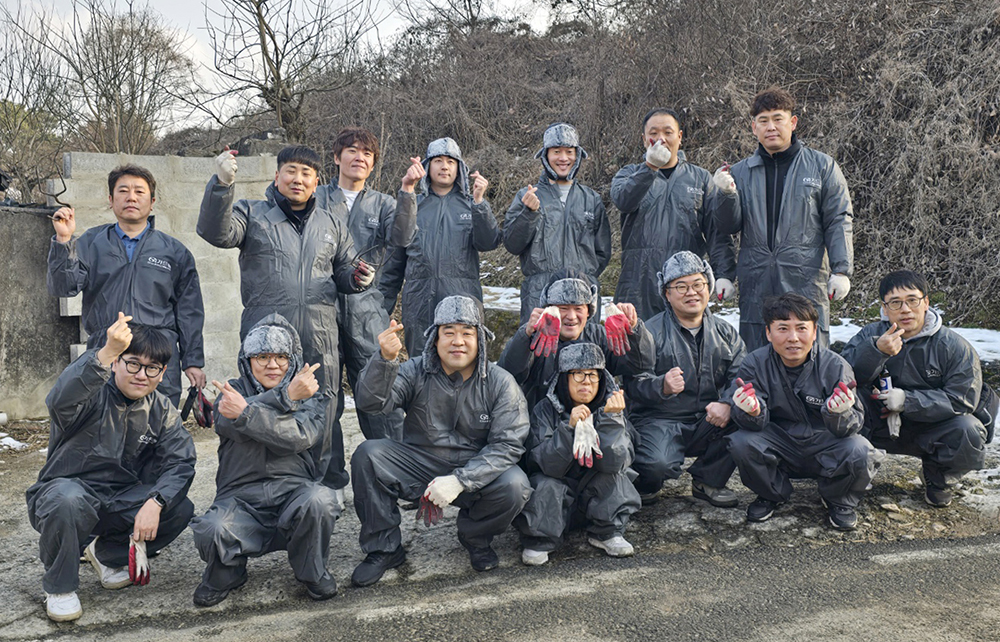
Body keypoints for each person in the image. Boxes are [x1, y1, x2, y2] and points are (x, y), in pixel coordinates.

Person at [198, 145, 373, 498]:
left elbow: (345, 268)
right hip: (267, 336)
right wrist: (222, 185)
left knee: (325, 405)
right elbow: (216, 233)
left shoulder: (331, 223)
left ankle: (327, 479)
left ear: (316, 181)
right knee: (264, 403)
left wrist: (358, 277)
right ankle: (262, 481)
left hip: (320, 332)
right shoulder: (252, 213)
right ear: (276, 176)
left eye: (306, 173)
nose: (298, 179)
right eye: (291, 171)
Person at [350, 296, 531, 586]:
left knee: (515, 485)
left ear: (480, 339)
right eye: (448, 332)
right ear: (435, 339)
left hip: (475, 469)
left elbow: (507, 445)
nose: (457, 341)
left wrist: (460, 480)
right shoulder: (413, 370)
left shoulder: (500, 382)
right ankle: (384, 549)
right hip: (420, 464)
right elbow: (372, 403)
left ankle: (475, 537)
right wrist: (383, 361)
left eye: (466, 333)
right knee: (368, 455)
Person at [26, 314, 196, 622]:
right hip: (67, 493)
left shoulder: (161, 410)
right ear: (116, 362)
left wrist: (156, 501)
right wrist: (105, 351)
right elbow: (59, 401)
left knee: (179, 508)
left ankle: (106, 555)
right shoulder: (91, 393)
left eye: (152, 368)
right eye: (132, 363)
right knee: (67, 500)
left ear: (163, 372)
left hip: (119, 500)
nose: (141, 375)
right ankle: (60, 587)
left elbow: (181, 462)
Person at [191, 314, 340, 606]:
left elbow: (298, 437)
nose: (272, 365)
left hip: (293, 495)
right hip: (240, 501)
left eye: (281, 357)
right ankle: (227, 573)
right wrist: (285, 398)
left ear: (292, 359)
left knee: (320, 500)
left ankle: (312, 572)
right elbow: (226, 422)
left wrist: (248, 413)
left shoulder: (309, 395)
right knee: (211, 528)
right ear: (247, 360)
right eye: (262, 356)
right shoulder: (231, 390)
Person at [47, 164, 206, 406]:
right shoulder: (91, 242)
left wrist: (193, 361)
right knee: (103, 425)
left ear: (152, 202)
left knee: (158, 429)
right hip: (106, 352)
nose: (131, 197)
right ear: (111, 200)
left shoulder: (174, 252)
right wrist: (63, 240)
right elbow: (63, 288)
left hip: (157, 356)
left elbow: (189, 311)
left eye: (139, 192)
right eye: (123, 191)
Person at [841, 270, 995, 507]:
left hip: (931, 427)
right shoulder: (870, 335)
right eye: (895, 302)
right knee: (843, 409)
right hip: (878, 425)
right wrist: (876, 352)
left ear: (926, 303)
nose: (905, 309)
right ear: (884, 307)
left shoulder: (954, 346)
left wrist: (907, 401)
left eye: (912, 300)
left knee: (968, 429)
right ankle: (853, 476)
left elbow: (962, 399)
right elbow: (843, 378)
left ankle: (939, 478)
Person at [717, 86, 854, 352]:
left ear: (792, 123)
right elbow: (725, 227)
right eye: (763, 120)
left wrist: (841, 269)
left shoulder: (822, 167)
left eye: (778, 119)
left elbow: (838, 218)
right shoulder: (739, 172)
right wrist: (723, 196)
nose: (771, 127)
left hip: (805, 277)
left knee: (808, 349)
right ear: (753, 127)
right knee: (756, 353)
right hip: (755, 279)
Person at [726, 294, 879, 531]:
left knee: (860, 449)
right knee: (741, 441)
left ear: (815, 330)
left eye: (801, 328)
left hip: (824, 442)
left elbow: (853, 426)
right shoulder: (754, 363)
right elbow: (753, 423)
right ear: (768, 333)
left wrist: (837, 412)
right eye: (783, 329)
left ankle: (839, 500)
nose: (793, 338)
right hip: (780, 442)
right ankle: (771, 494)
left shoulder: (836, 365)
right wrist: (751, 410)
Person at [311, 127, 419, 444]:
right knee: (323, 393)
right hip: (320, 307)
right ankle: (326, 478)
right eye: (352, 150)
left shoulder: (385, 204)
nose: (360, 157)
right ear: (336, 157)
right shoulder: (315, 198)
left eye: (367, 153)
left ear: (373, 164)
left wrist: (408, 191)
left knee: (378, 389)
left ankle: (391, 468)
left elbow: (402, 237)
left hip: (367, 310)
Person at [624, 251, 747, 506]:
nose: (691, 292)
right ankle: (647, 482)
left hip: (708, 418)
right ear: (667, 293)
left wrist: (727, 403)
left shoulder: (726, 333)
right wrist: (662, 386)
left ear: (708, 287)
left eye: (698, 284)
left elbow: (742, 376)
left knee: (748, 414)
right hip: (661, 420)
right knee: (656, 464)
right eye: (681, 286)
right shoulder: (650, 332)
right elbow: (633, 382)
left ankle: (707, 481)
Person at [516, 342, 641, 566]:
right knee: (545, 482)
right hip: (558, 494)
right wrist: (569, 428)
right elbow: (544, 463)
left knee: (615, 476)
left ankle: (607, 532)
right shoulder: (545, 410)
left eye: (593, 375)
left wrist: (611, 420)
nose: (586, 382)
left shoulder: (612, 407)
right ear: (564, 378)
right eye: (578, 375)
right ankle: (540, 539)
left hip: (595, 493)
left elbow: (617, 462)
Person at [610, 108, 737, 321]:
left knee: (687, 349)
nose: (661, 139)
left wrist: (724, 274)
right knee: (637, 350)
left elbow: (717, 233)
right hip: (637, 283)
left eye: (668, 132)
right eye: (654, 133)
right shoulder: (629, 174)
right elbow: (623, 200)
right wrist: (649, 168)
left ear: (679, 137)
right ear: (644, 139)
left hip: (686, 284)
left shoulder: (700, 179)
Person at [380, 137, 501, 355]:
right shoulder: (413, 203)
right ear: (427, 166)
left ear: (459, 168)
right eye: (438, 161)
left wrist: (480, 203)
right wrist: (381, 311)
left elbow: (488, 242)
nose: (444, 166)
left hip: (462, 299)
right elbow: (396, 252)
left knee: (462, 366)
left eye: (450, 161)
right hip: (419, 301)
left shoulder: (471, 203)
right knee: (421, 364)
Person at [497, 269, 655, 411]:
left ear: (588, 311)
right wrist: (525, 335)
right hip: (543, 427)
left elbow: (641, 365)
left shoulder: (601, 336)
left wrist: (634, 331)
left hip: (596, 424)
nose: (571, 317)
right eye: (563, 308)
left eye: (578, 308)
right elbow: (508, 374)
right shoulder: (535, 337)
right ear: (549, 309)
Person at [502, 123, 612, 324]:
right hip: (538, 296)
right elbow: (512, 244)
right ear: (545, 155)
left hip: (582, 298)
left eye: (569, 152)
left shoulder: (591, 199)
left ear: (577, 155)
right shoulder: (526, 196)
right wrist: (528, 213)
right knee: (540, 353)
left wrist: (584, 277)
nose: (563, 158)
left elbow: (602, 252)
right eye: (556, 152)